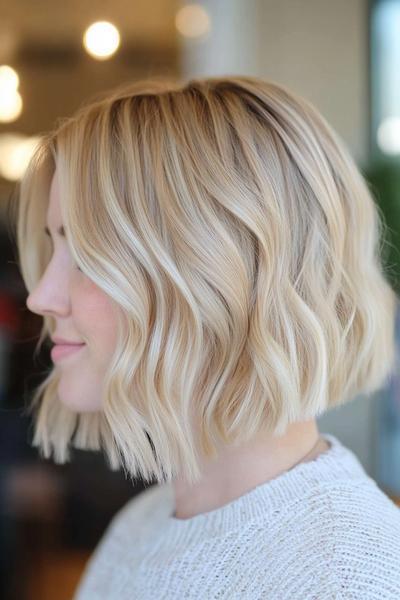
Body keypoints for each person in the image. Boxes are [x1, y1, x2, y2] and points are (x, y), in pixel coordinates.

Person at [13, 75, 400, 598]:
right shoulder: (144, 523)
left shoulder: (347, 577)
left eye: (86, 254)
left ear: (213, 278)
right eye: (55, 246)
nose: (41, 296)